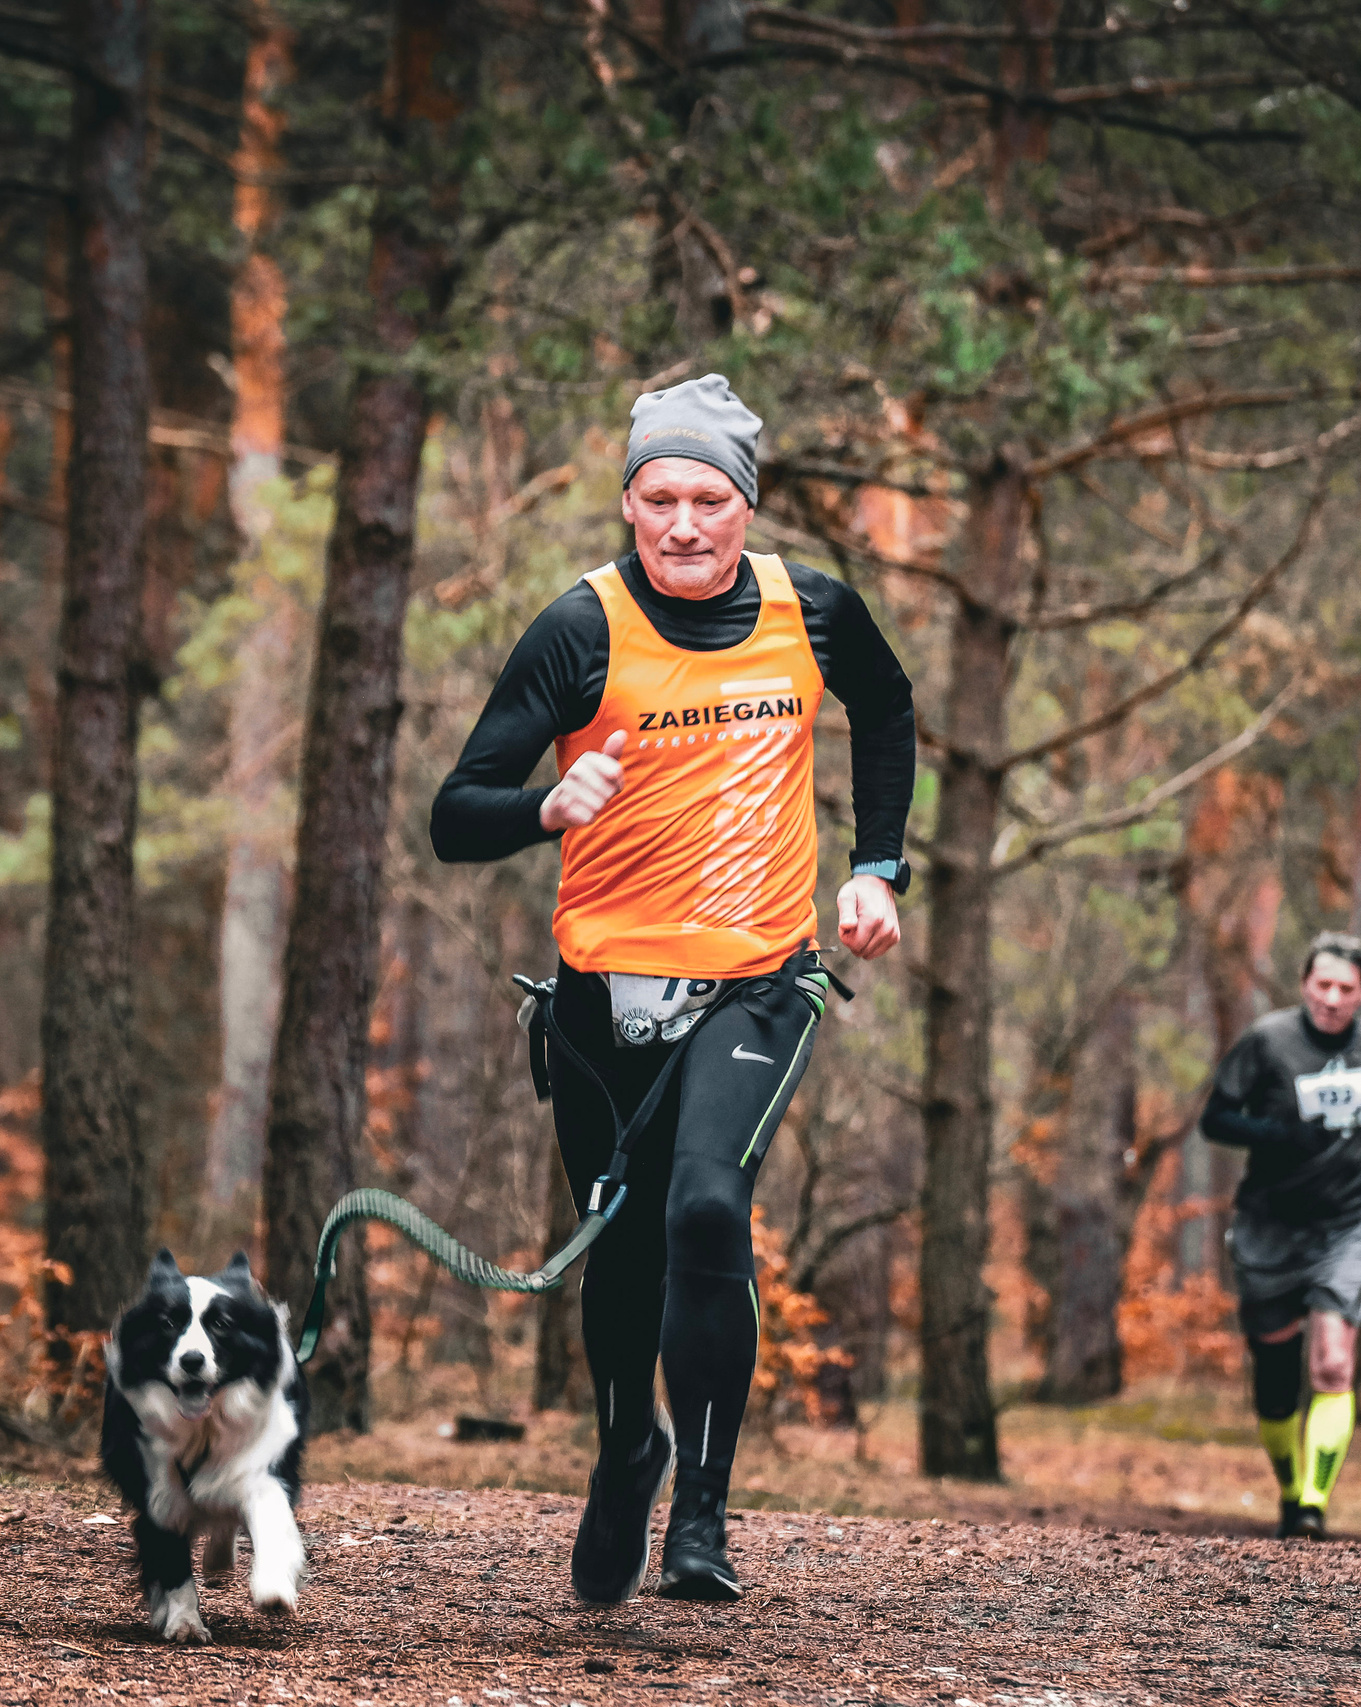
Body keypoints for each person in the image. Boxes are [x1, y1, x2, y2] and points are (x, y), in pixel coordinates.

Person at [430, 374, 916, 1603]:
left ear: (747, 506)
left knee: (706, 1209)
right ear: (629, 504)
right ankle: (624, 1453)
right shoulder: (579, 630)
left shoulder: (811, 610)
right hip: (603, 1002)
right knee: (628, 1255)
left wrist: (876, 865)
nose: (685, 524)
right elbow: (453, 814)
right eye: (660, 500)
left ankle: (701, 1511)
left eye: (710, 499)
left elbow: (889, 702)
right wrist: (545, 805)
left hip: (757, 979)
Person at [1200, 930, 1361, 1540]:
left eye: (1345, 988)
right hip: (1269, 1226)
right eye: (1321, 985)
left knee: (1331, 1362)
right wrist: (1274, 1134)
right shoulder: (1269, 1041)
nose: (1331, 997)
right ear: (1304, 985)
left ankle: (1313, 1505)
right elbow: (1214, 1118)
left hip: (1345, 1224)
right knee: (1275, 1377)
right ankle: (1290, 1487)